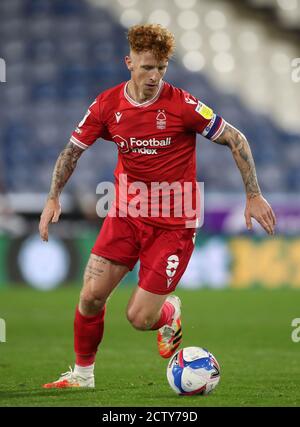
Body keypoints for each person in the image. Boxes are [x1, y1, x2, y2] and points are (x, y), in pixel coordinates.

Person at [39, 24, 276, 388]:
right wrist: (53, 196)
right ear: (129, 62)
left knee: (139, 318)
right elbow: (73, 150)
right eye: (147, 67)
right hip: (125, 215)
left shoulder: (182, 105)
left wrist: (253, 194)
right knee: (90, 297)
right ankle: (83, 375)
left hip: (173, 226)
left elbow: (235, 137)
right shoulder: (107, 105)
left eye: (161, 68)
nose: (154, 76)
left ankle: (169, 312)